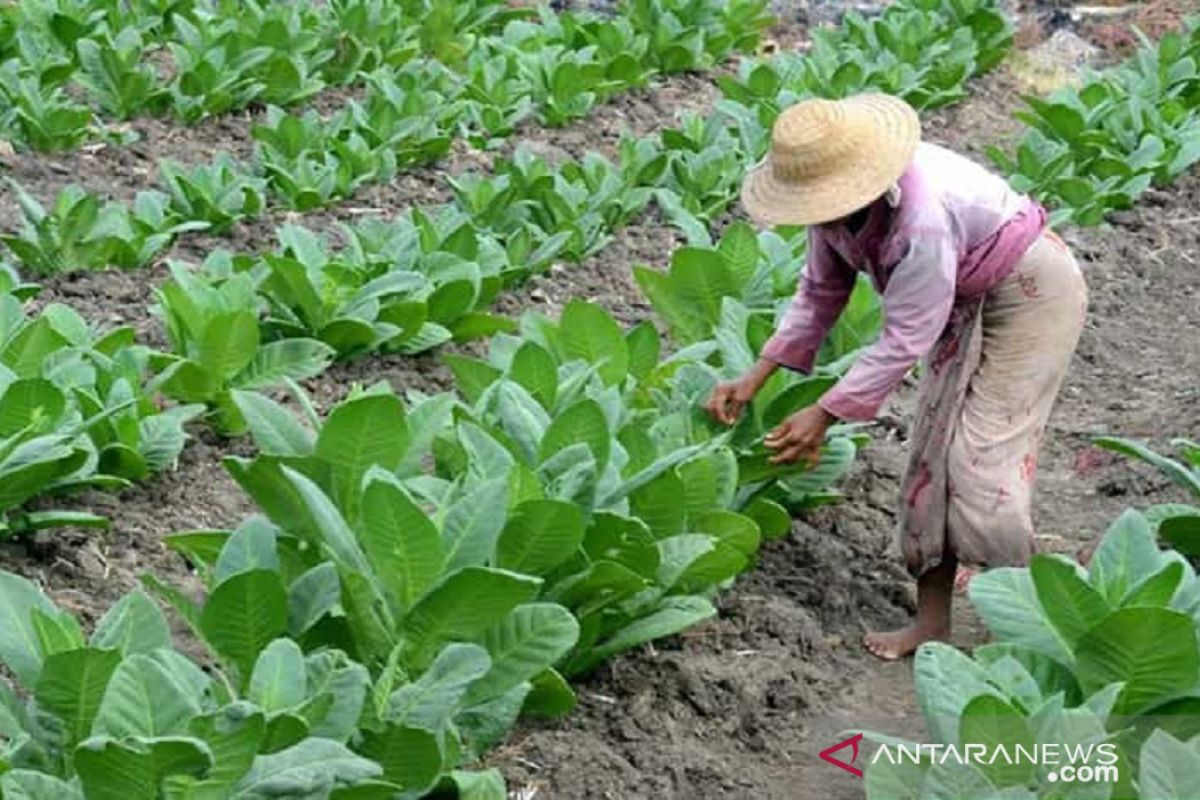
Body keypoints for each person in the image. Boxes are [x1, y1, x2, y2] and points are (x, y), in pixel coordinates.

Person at [706, 93, 1087, 661]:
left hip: (1031, 296)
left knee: (982, 464)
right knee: (931, 461)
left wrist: (825, 413)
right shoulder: (833, 213)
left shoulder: (921, 218)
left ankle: (1051, 616)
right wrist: (756, 375)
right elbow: (819, 293)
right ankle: (932, 624)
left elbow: (905, 336)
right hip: (961, 301)